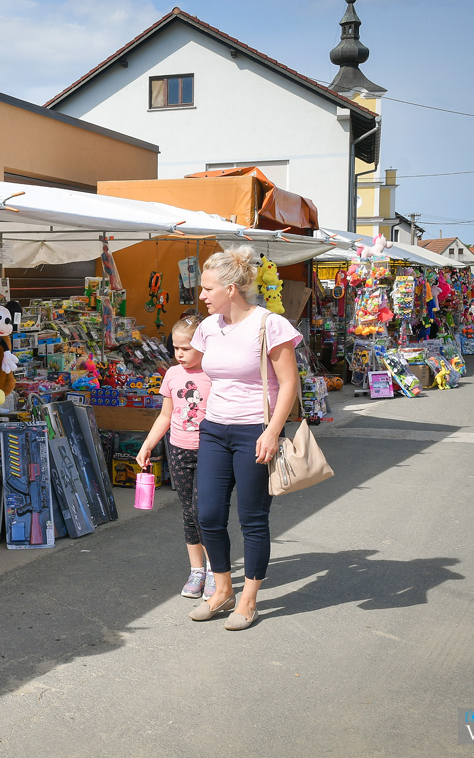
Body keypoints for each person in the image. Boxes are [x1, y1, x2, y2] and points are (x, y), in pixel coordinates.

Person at [187, 247, 301, 631]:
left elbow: (289, 384)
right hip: (215, 429)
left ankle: (248, 599)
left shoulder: (269, 324)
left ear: (231, 288)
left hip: (255, 430)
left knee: (253, 519)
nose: (201, 296)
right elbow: (202, 373)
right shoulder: (207, 328)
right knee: (209, 515)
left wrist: (272, 431)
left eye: (207, 289)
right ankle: (222, 590)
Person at [136, 314, 213, 599]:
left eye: (187, 348)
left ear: (204, 346)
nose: (180, 354)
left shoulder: (214, 375)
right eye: (176, 348)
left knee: (203, 512)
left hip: (210, 451)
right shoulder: (172, 374)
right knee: (188, 512)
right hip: (178, 449)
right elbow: (165, 415)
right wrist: (147, 444)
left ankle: (216, 571)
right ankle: (197, 571)